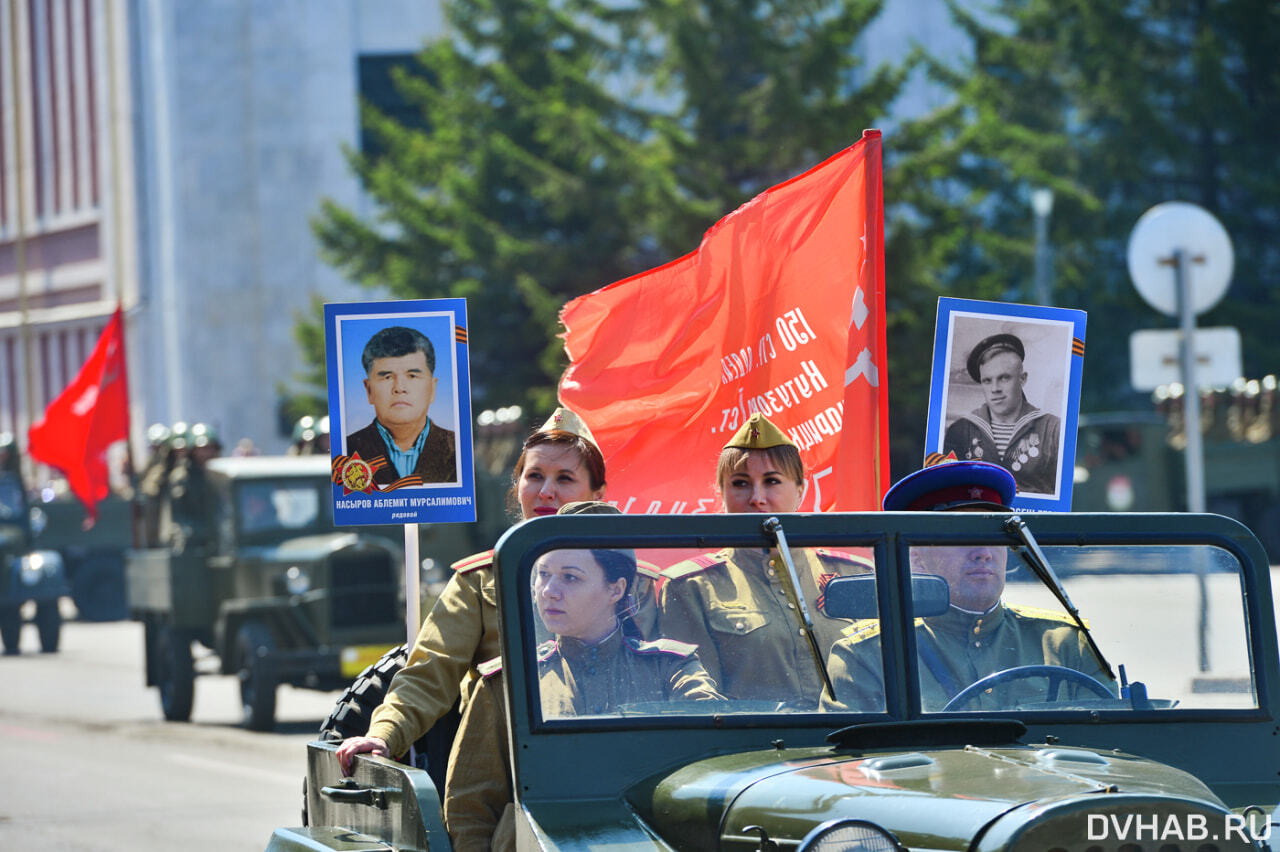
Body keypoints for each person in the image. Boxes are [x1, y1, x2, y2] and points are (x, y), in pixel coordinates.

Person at [335, 409, 607, 780]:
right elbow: (430, 673)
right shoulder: (479, 582)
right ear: (517, 488)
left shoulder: (632, 582)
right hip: (503, 769)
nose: (546, 491)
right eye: (534, 477)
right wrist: (384, 735)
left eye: (565, 478)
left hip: (607, 755)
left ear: (598, 493)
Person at [444, 514, 722, 851]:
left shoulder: (670, 669)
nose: (549, 591)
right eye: (542, 575)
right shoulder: (505, 683)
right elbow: (469, 810)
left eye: (570, 578)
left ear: (616, 589)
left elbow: (713, 741)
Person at [823, 460, 1114, 712]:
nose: (984, 551)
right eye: (961, 535)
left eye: (995, 534)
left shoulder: (1063, 645)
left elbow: (1111, 753)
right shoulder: (868, 658)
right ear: (917, 555)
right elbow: (847, 770)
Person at [658, 413, 872, 708]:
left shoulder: (854, 575)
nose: (757, 498)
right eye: (740, 483)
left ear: (801, 490)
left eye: (772, 481)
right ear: (721, 493)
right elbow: (699, 706)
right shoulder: (690, 586)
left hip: (851, 748)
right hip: (756, 749)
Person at [942, 332, 1062, 495]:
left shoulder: (1053, 430)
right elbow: (947, 492)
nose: (995, 389)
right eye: (987, 381)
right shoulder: (961, 431)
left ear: (1023, 379)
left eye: (1004, 378)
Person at [344, 325, 457, 486]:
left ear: (432, 388)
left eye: (412, 376)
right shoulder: (345, 451)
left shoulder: (459, 449)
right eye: (387, 377)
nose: (399, 388)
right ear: (369, 390)